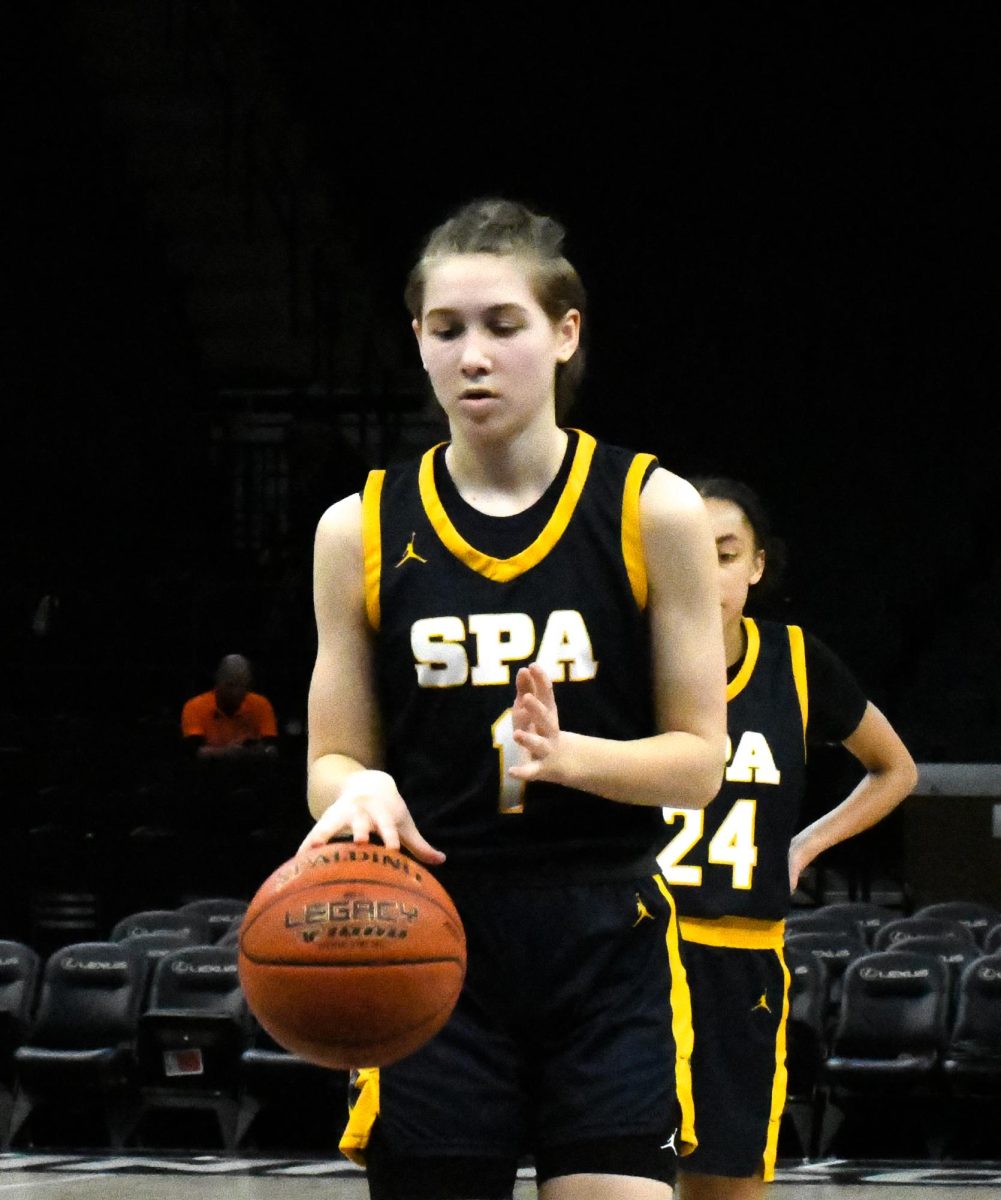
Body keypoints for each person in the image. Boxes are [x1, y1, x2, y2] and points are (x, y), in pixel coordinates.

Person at [297, 196, 728, 1200]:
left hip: (602, 934)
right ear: (416, 341)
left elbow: (699, 763)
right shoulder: (354, 530)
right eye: (445, 330)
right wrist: (354, 793)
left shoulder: (648, 507)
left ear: (563, 334)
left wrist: (568, 756)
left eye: (503, 325)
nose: (472, 355)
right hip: (427, 936)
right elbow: (328, 761)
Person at [660, 476, 918, 1200]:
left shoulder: (795, 661)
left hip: (741, 957)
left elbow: (893, 771)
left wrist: (804, 845)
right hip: (632, 951)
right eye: (684, 550)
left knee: (728, 1181)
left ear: (756, 566)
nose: (705, 572)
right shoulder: (623, 658)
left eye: (724, 552)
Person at [181, 653, 279, 760]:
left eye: (243, 685)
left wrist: (247, 751)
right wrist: (227, 752)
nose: (236, 692)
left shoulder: (261, 705)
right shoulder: (195, 706)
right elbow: (195, 752)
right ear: (218, 680)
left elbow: (271, 749)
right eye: (230, 685)